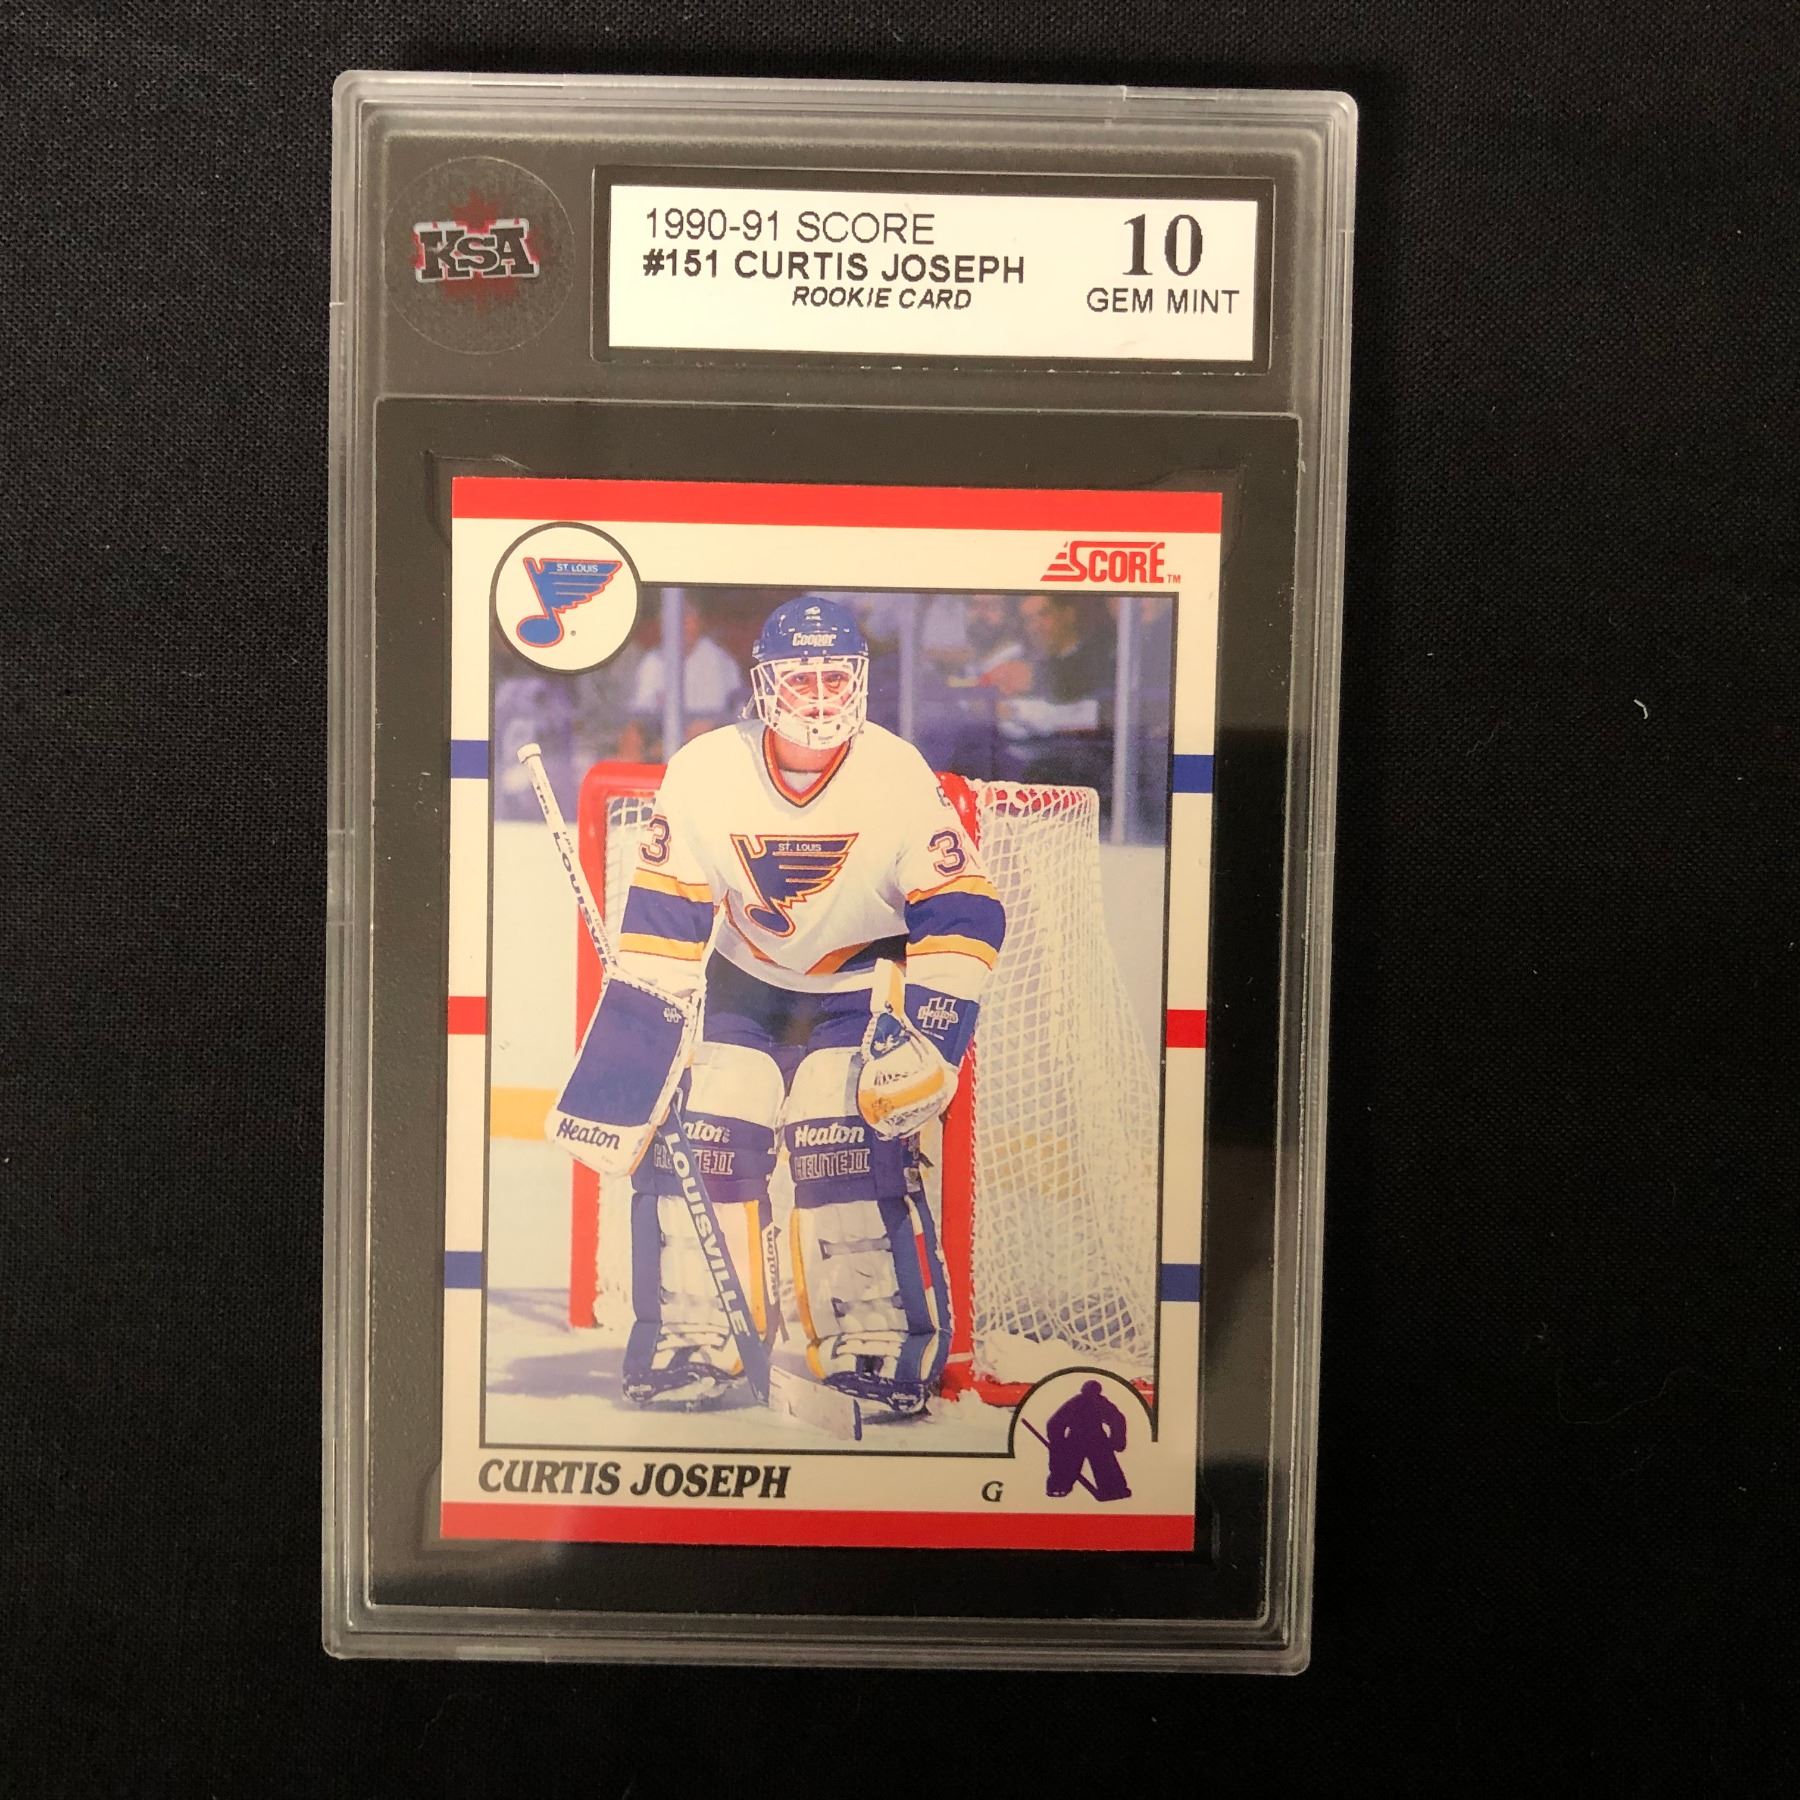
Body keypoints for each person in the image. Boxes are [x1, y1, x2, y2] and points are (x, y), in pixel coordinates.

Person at [552, 596, 1007, 1417]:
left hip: (858, 990)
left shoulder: (895, 772)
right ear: (765, 684)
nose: (822, 696)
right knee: (702, 1137)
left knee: (846, 1143)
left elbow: (966, 912)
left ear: (860, 681)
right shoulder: (705, 771)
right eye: (803, 679)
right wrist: (631, 1068)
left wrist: (933, 1041)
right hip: (745, 987)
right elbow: (662, 927)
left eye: (836, 677)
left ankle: (876, 1344)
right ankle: (698, 1337)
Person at [621, 597, 744, 756]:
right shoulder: (653, 659)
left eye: (686, 619)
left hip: (712, 736)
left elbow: (711, 720)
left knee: (700, 730)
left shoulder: (716, 659)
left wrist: (665, 746)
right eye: (672, 619)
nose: (680, 626)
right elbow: (641, 712)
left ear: (698, 623)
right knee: (632, 733)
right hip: (662, 733)